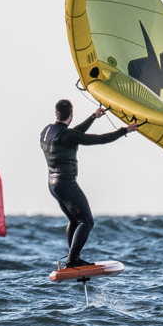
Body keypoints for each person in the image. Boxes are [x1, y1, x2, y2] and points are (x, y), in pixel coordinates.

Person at [41, 99, 139, 268]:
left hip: (53, 184)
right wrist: (125, 130)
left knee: (74, 220)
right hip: (66, 184)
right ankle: (72, 260)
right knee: (86, 221)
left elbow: (72, 134)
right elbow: (99, 139)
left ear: (56, 113)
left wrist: (93, 117)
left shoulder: (47, 131)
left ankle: (72, 257)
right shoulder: (69, 136)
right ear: (71, 114)